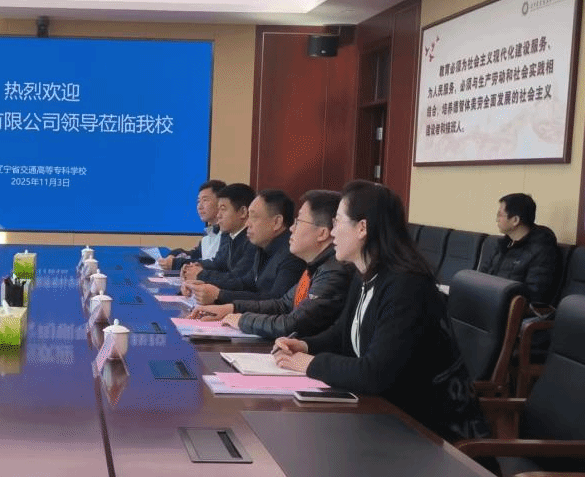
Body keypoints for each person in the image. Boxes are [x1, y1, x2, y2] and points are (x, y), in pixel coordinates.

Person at [272, 180, 487, 442]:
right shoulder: (365, 274)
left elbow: (374, 373)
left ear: (362, 228)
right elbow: (343, 334)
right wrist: (305, 345)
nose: (333, 232)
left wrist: (311, 364)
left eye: (338, 222)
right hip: (383, 416)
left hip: (428, 433)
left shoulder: (406, 286)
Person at [190, 190, 353, 339]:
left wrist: (240, 318)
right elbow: (282, 304)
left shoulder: (332, 271)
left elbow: (293, 323)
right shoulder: (314, 266)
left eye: (299, 222)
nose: (292, 228)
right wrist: (231, 308)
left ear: (322, 233)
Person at [183, 189, 305, 305]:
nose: (247, 223)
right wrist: (201, 285)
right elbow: (246, 284)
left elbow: (276, 302)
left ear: (276, 222)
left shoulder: (292, 255)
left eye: (254, 217)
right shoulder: (263, 248)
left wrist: (218, 295)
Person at [478, 193, 560, 307]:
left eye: (500, 215)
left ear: (515, 220)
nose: (497, 219)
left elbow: (535, 295)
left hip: (510, 309)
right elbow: (482, 275)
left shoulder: (542, 250)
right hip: (490, 302)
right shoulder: (503, 244)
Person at [180, 183, 256, 288]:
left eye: (223, 209)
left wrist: (200, 274)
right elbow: (218, 264)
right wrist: (194, 268)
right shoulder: (231, 237)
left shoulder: (252, 241)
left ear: (243, 212)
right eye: (218, 209)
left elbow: (237, 279)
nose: (218, 215)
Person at [159, 180, 226, 270]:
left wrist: (176, 263)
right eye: (198, 201)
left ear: (221, 203)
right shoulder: (210, 232)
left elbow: (216, 264)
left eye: (205, 200)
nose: (199, 206)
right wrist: (174, 254)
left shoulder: (228, 234)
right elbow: (194, 255)